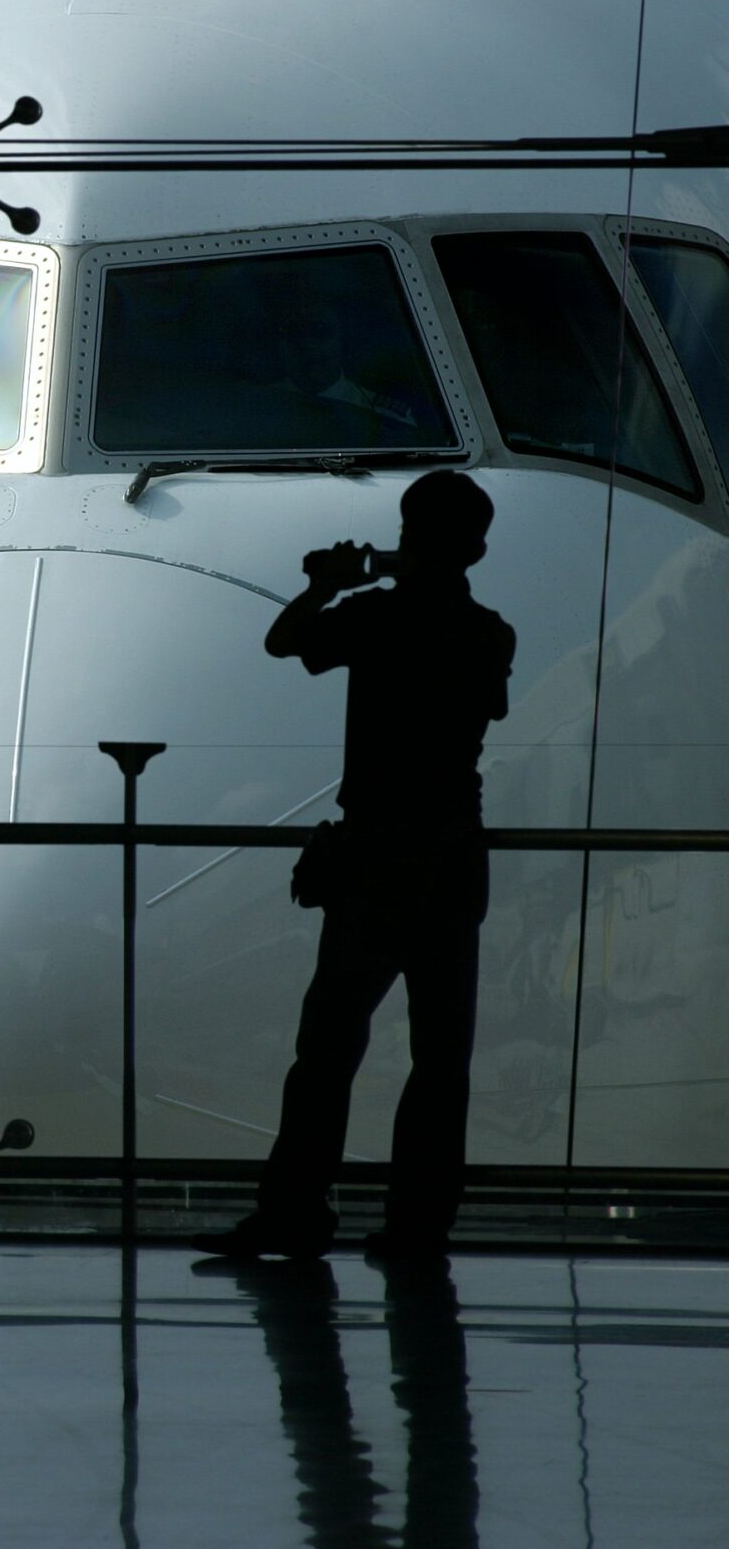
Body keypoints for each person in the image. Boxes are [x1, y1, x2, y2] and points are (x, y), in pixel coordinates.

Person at [197, 471, 514, 1262]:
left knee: (328, 1049)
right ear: (476, 548)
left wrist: (327, 585)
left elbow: (284, 641)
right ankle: (418, 1225)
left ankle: (295, 1209)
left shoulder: (376, 618)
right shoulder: (488, 633)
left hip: (376, 857)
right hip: (450, 857)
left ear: (411, 538)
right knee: (440, 1059)